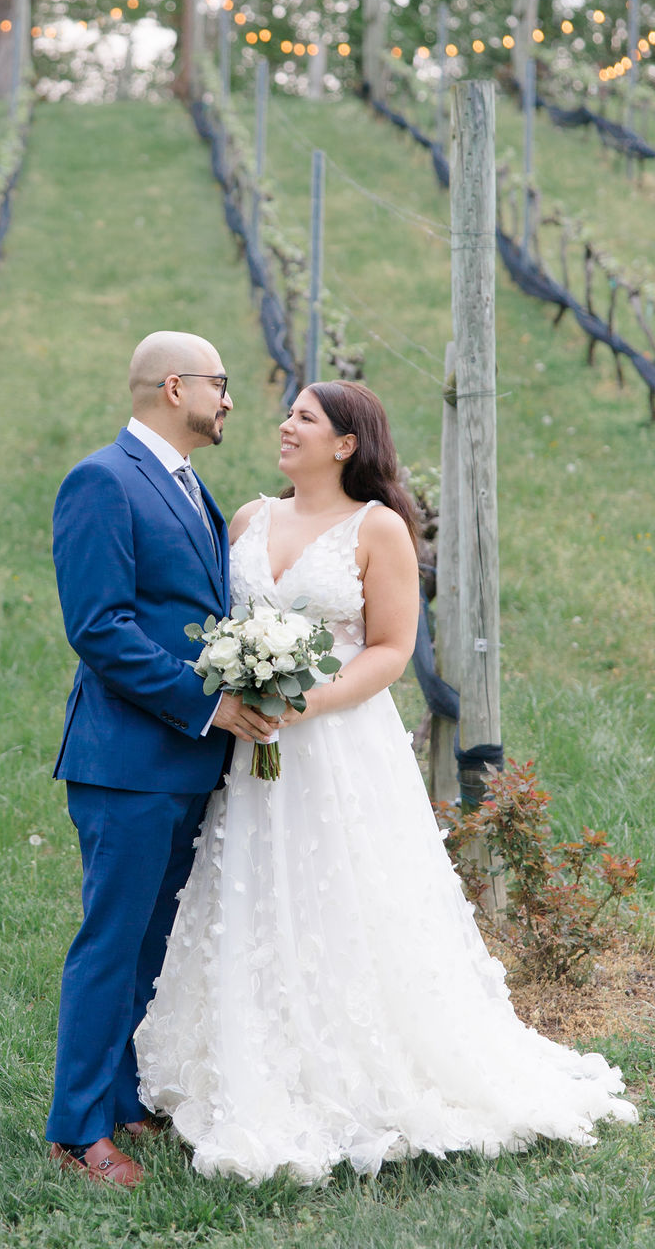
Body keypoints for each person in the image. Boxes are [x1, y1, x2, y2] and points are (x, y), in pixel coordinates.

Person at [135, 379, 637, 1184]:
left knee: (346, 890)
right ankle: (253, 1053)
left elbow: (391, 648)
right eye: (288, 413)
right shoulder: (249, 519)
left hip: (339, 744)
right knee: (256, 888)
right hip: (254, 744)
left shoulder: (379, 528)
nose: (284, 425)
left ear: (346, 444)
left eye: (304, 417)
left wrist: (307, 701)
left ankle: (358, 1062)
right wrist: (244, 685)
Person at [46, 331, 279, 1189]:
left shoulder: (186, 483)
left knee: (152, 940)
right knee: (111, 942)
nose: (230, 401)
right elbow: (99, 628)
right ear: (176, 387)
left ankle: (119, 1097)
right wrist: (208, 702)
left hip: (184, 761)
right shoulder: (102, 481)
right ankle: (75, 1131)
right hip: (126, 762)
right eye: (220, 384)